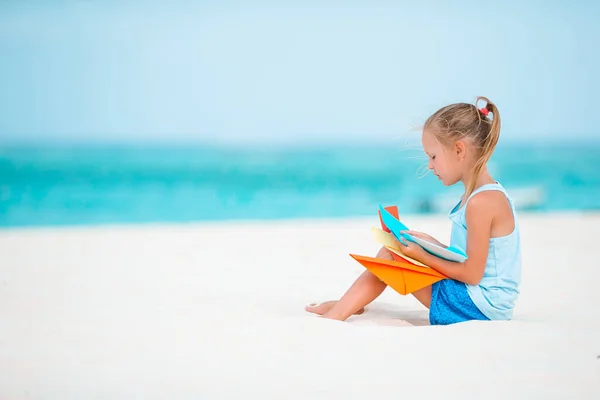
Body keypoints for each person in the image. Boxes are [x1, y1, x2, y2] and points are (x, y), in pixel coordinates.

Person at [305, 96, 522, 325]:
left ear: (459, 150)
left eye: (433, 156)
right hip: (477, 300)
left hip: (479, 307)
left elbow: (472, 273)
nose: (429, 165)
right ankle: (349, 305)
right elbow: (472, 259)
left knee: (392, 254)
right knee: (395, 249)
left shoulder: (482, 202)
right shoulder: (482, 195)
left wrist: (423, 255)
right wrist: (432, 244)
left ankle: (341, 311)